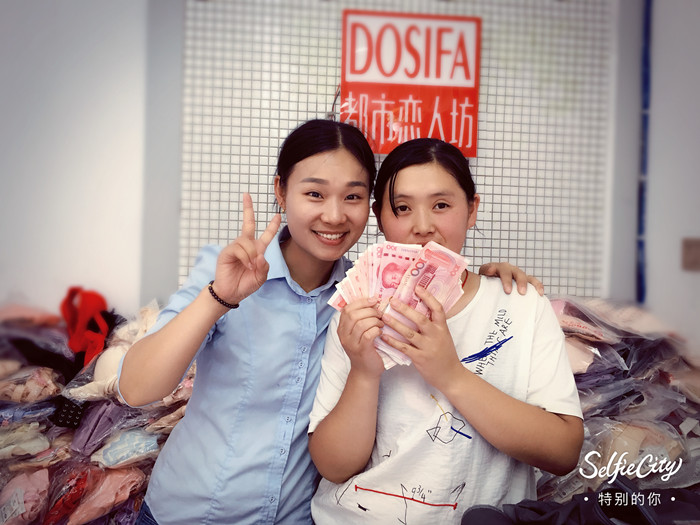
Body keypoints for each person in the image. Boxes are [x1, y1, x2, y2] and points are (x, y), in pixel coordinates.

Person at [118, 120, 543, 525]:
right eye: (315, 194)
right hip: (189, 511)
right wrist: (220, 298)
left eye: (352, 197)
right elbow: (137, 390)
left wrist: (483, 280)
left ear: (371, 208)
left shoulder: (367, 295)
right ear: (281, 191)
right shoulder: (225, 271)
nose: (335, 216)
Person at [307, 138, 584, 525]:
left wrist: (450, 374)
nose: (423, 226)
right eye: (402, 208)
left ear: (472, 209)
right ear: (379, 217)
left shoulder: (522, 306)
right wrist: (364, 373)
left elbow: (563, 452)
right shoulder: (357, 311)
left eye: (441, 205)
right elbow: (334, 467)